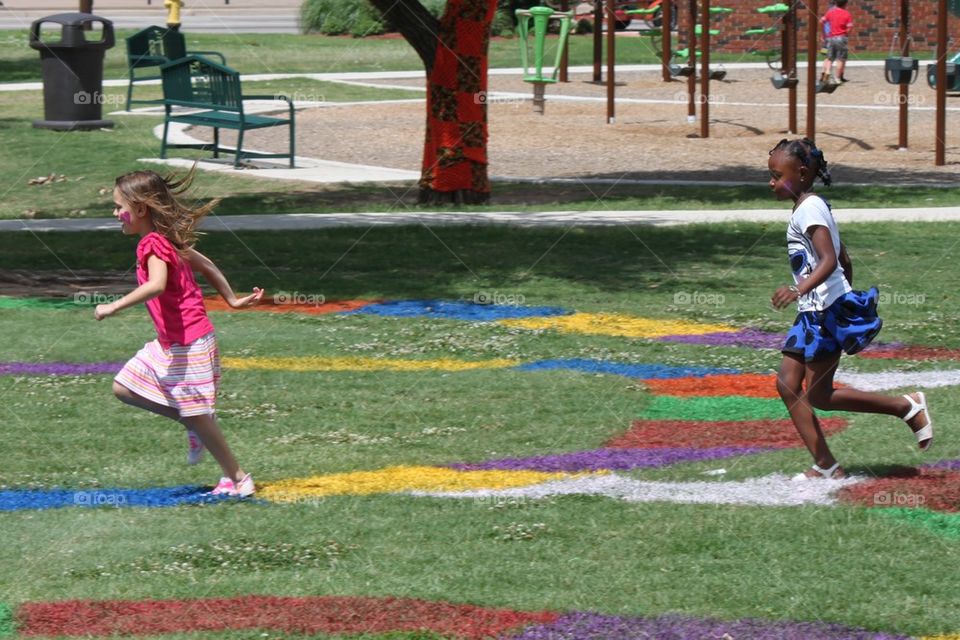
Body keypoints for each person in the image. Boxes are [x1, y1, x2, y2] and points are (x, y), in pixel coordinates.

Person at [768, 138, 933, 480]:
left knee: (820, 395)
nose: (771, 182)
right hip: (815, 310)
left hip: (821, 311)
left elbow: (829, 261)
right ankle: (826, 464)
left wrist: (806, 291)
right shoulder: (808, 205)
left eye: (776, 175)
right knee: (788, 384)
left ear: (800, 173)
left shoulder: (810, 208)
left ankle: (906, 406)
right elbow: (843, 257)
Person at [95, 167, 263, 496]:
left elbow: (157, 286)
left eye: (119, 207)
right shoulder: (166, 240)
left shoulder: (154, 245)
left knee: (198, 414)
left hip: (190, 342)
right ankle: (195, 427)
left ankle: (239, 479)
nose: (116, 214)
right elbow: (209, 265)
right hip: (172, 342)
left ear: (140, 209)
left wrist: (113, 306)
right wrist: (231, 299)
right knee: (124, 388)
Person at [820, 0, 852, 84]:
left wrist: (823, 34)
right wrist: (846, 34)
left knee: (829, 58)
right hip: (841, 38)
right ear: (845, 4)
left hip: (829, 38)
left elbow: (822, 21)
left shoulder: (830, 12)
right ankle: (837, 78)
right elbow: (849, 27)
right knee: (840, 59)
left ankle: (826, 75)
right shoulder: (846, 14)